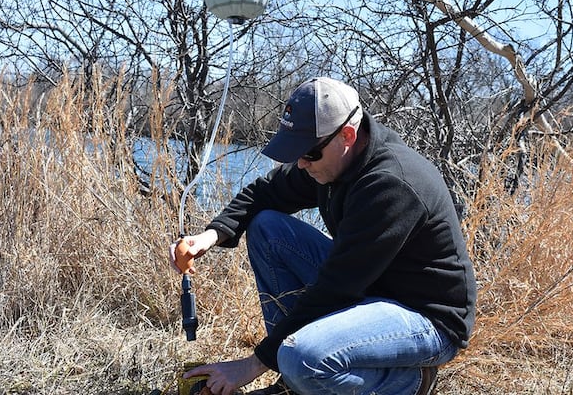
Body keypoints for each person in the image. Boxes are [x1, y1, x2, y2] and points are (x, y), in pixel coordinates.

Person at [171, 77, 476, 395]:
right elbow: (265, 192)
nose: (301, 163)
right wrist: (210, 236)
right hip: (369, 290)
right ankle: (292, 384)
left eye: (309, 153)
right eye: (297, 152)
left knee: (301, 358)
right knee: (267, 228)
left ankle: (410, 383)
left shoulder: (391, 184)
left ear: (347, 135)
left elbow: (335, 288)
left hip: (426, 319)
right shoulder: (333, 160)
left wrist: (253, 364)